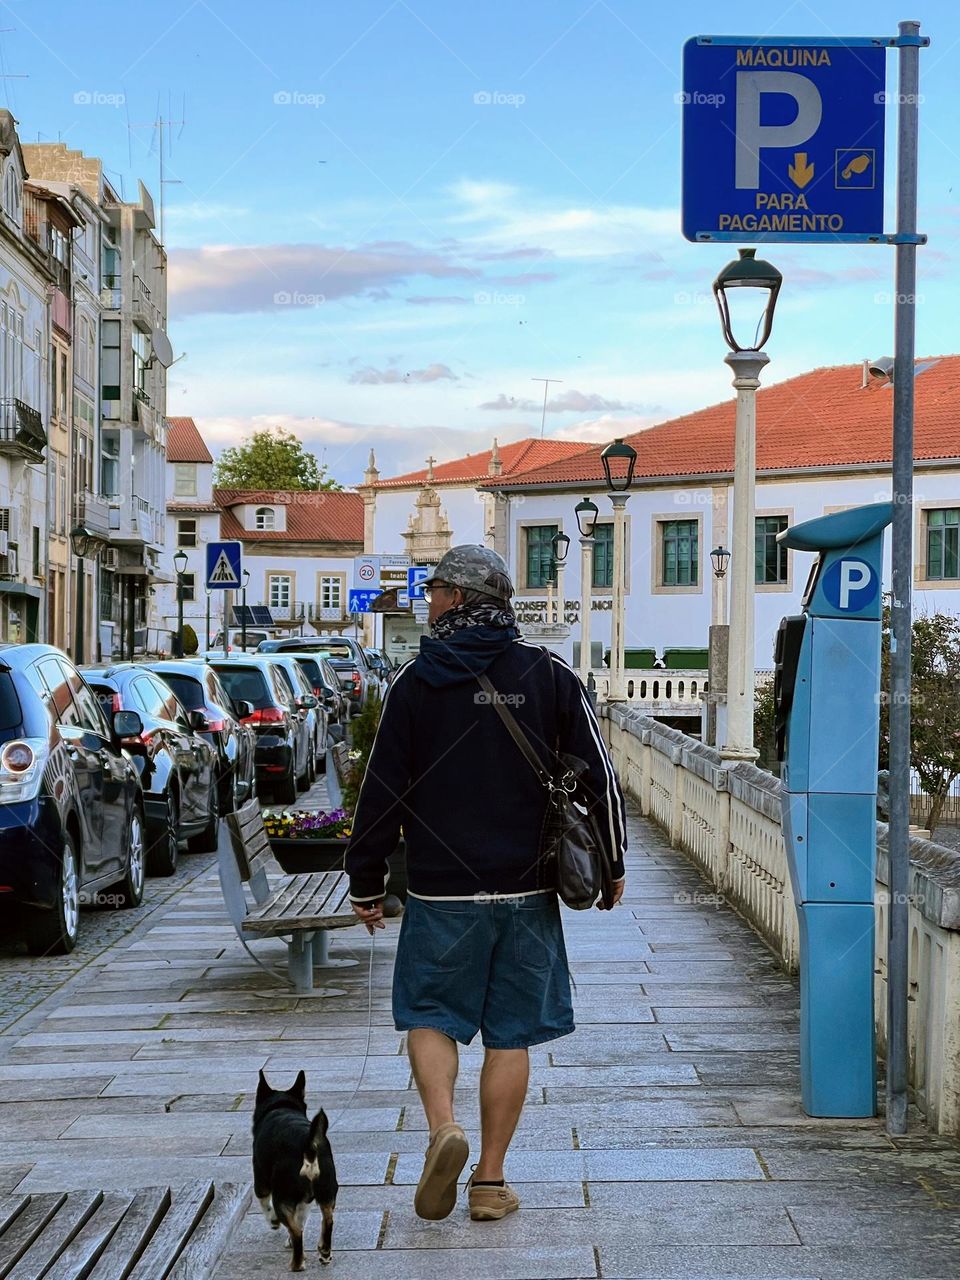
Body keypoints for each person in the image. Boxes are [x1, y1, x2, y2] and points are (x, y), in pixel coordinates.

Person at [345, 545, 626, 1223]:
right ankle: (490, 1183)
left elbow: (381, 789)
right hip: (526, 889)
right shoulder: (548, 675)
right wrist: (612, 862)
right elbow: (601, 776)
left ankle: (445, 1129)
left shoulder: (416, 683)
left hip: (442, 892)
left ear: (463, 600)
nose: (428, 598)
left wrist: (366, 877)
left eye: (436, 588)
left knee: (428, 1013)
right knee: (510, 1034)